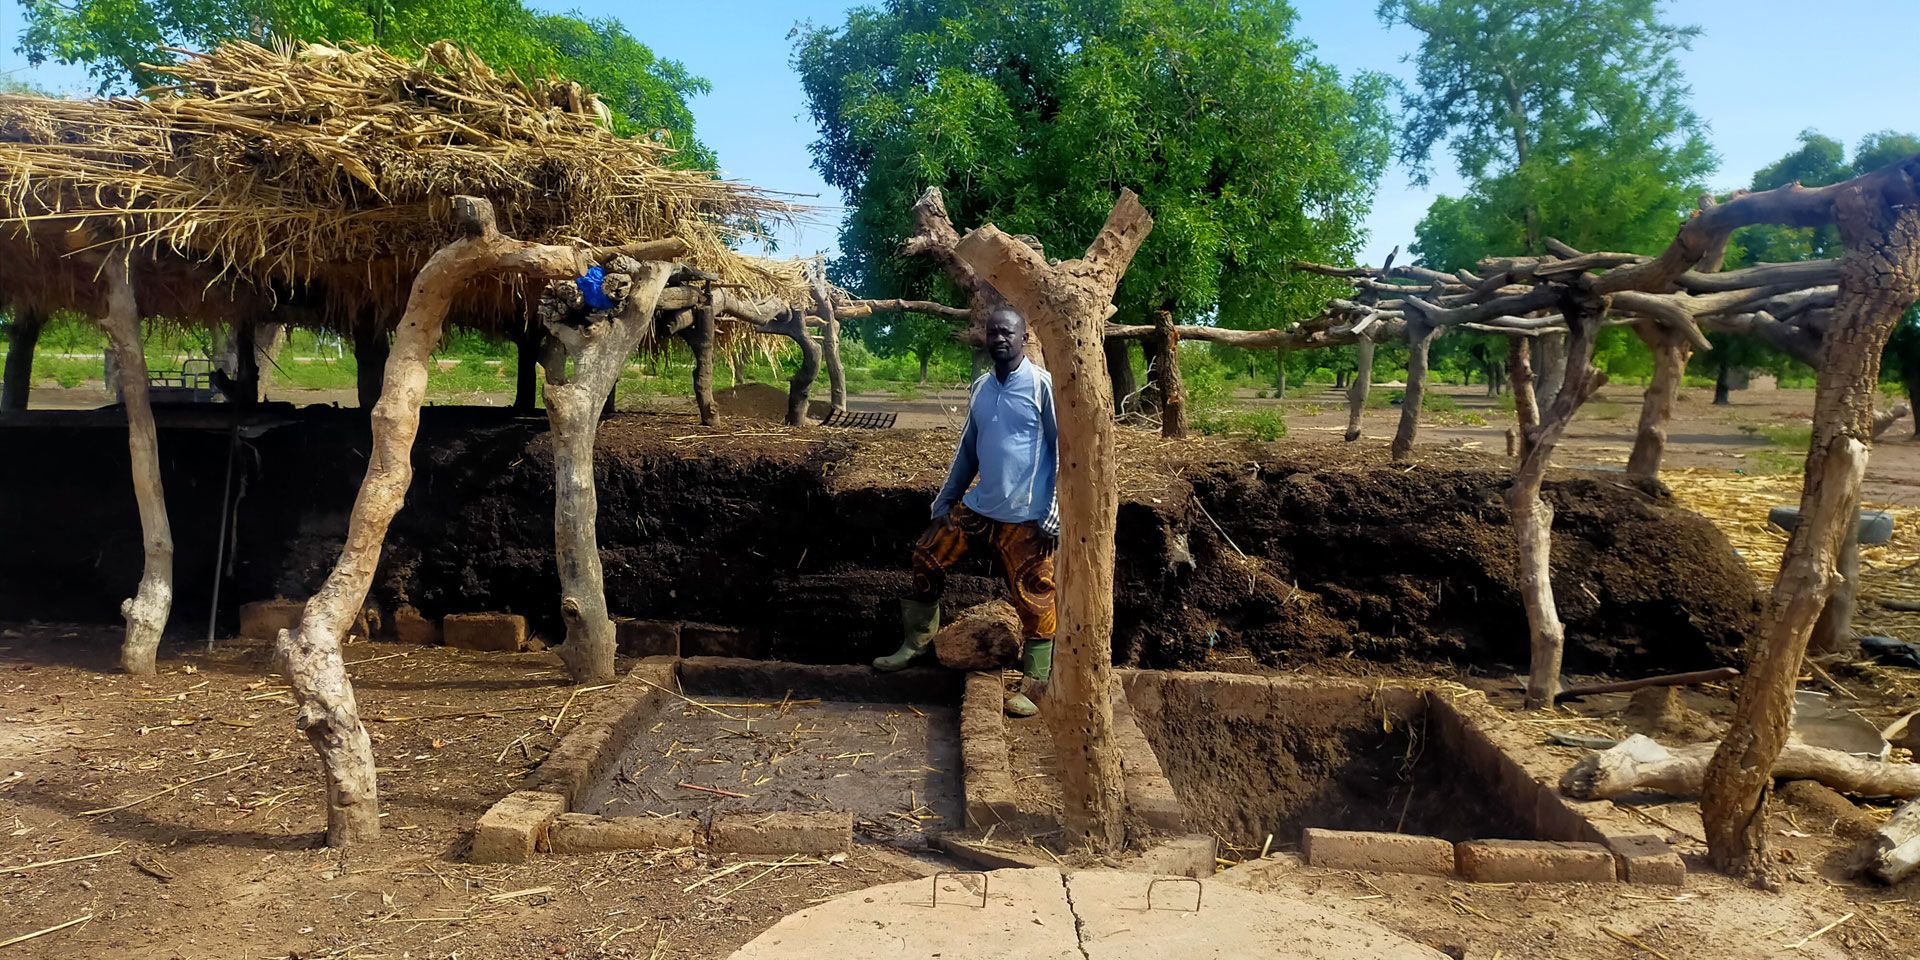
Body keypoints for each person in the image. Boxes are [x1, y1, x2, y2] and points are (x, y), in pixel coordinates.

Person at [872, 306, 1058, 717]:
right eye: (993, 332)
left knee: (1035, 593)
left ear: (1024, 337)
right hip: (982, 507)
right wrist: (945, 500)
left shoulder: (1043, 386)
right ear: (985, 338)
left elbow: (1063, 452)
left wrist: (1053, 511)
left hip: (1027, 515)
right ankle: (917, 644)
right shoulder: (982, 388)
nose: (1000, 339)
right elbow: (967, 452)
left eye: (1008, 332)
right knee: (927, 553)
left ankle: (1037, 682)